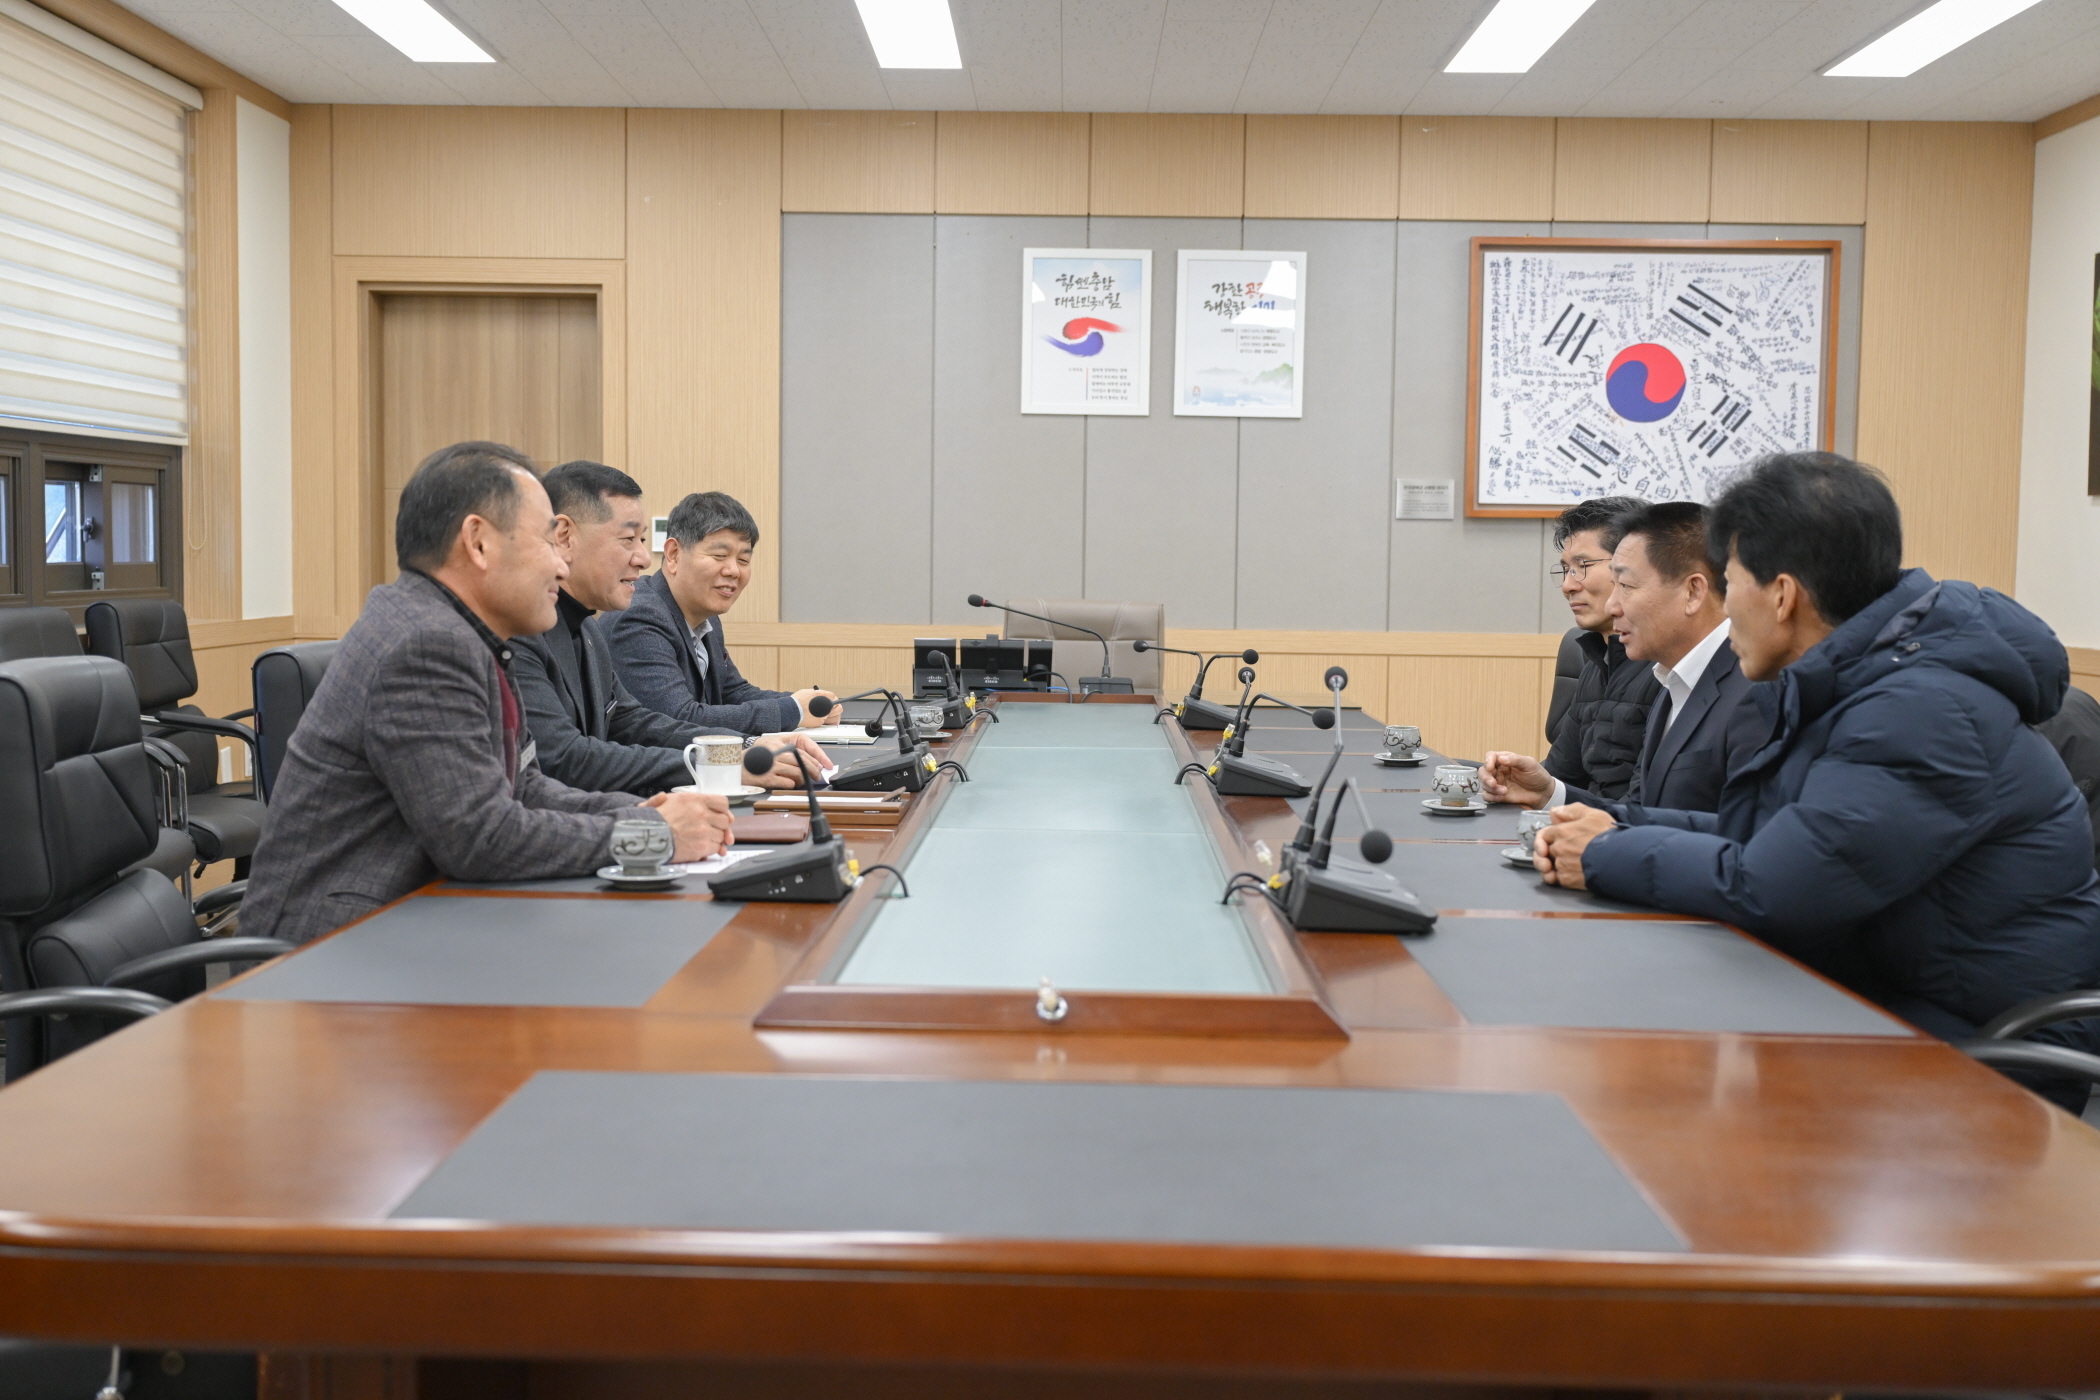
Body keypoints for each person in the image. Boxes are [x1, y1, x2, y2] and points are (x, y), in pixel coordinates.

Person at [1533, 453, 2100, 1100]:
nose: (1724, 608)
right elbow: (1767, 835)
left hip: (1982, 1053)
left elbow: (1771, 887)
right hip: (1887, 1000)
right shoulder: (1855, 682)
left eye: (1731, 584)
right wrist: (1614, 821)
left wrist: (1604, 853)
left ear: (1782, 595)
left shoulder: (1919, 710)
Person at [241, 442, 735, 946]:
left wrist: (641, 815)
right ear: (478, 543)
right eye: (546, 542)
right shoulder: (425, 644)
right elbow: (480, 837)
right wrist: (651, 835)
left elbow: (526, 787)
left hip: (411, 924)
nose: (560, 566)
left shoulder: (464, 634)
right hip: (330, 953)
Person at [510, 461, 829, 796]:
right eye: (628, 539)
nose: (643, 558)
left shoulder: (586, 626)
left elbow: (634, 722)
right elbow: (565, 759)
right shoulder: (522, 631)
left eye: (642, 539)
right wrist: (720, 764)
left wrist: (745, 748)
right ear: (563, 536)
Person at [1483, 501, 1766, 814]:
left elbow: (1746, 831)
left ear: (1693, 592)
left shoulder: (1756, 689)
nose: (1613, 605)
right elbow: (1640, 811)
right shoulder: (1669, 677)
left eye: (1627, 586)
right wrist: (1548, 792)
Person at [603, 491, 837, 736]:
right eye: (720, 556)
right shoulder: (638, 618)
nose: (733, 570)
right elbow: (678, 719)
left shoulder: (706, 616)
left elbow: (733, 693)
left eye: (743, 560)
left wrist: (808, 704)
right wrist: (792, 710)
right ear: (673, 554)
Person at [1541, 496, 1661, 801]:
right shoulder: (1597, 662)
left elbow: (1645, 804)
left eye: (1581, 566)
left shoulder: (1669, 667)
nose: (1568, 586)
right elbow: (1560, 775)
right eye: (1565, 570)